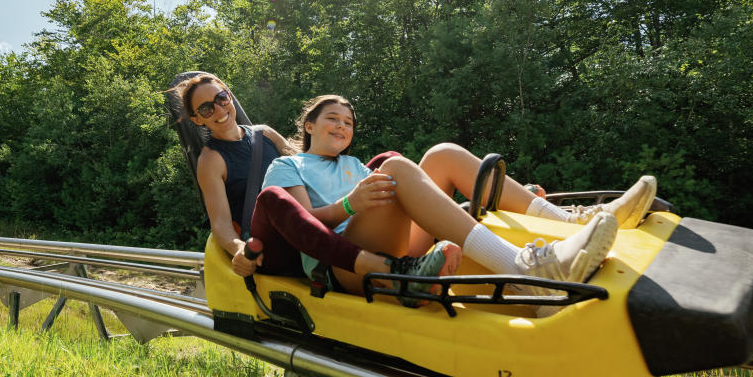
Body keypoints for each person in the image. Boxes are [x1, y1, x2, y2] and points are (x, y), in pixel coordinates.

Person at [261, 94, 657, 295]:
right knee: (396, 168)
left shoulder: (353, 165)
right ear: (309, 124)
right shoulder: (287, 166)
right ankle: (522, 269)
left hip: (391, 242)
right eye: (332, 118)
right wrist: (350, 204)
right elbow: (305, 223)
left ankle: (567, 220)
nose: (342, 126)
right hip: (347, 263)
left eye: (348, 122)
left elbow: (410, 204)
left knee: (442, 154)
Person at [176, 74, 457, 287]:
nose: (219, 109)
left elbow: (309, 163)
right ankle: (390, 269)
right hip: (270, 238)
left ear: (229, 96)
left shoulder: (265, 134)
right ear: (197, 120)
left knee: (388, 161)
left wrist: (350, 173)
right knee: (275, 197)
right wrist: (239, 249)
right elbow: (221, 224)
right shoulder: (211, 160)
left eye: (221, 99)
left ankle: (444, 225)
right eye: (206, 109)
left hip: (308, 224)